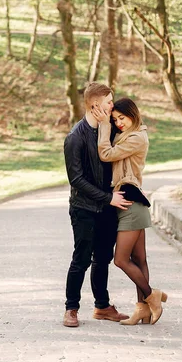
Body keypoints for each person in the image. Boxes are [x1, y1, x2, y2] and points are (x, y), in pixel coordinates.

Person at [62, 83, 133, 328]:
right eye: (109, 102)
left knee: (102, 258)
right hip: (84, 209)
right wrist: (108, 198)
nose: (113, 106)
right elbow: (76, 180)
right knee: (81, 259)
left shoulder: (110, 130)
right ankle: (71, 308)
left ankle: (102, 307)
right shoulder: (75, 137)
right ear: (95, 106)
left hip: (107, 209)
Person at [93, 97, 167, 325]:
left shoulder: (136, 137)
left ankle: (151, 295)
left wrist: (104, 125)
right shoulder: (126, 134)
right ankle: (142, 310)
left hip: (131, 205)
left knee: (120, 260)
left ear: (133, 114)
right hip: (131, 202)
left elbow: (106, 154)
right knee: (139, 258)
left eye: (122, 118)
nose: (118, 123)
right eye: (115, 119)